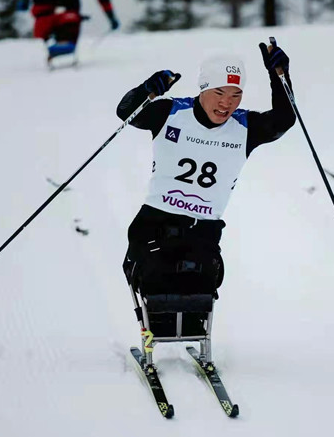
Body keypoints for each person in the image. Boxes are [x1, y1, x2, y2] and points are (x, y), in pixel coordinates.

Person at [116, 40, 295, 301]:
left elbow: (284, 120)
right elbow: (126, 112)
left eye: (236, 95)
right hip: (154, 223)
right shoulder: (171, 113)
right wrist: (146, 90)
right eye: (219, 92)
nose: (227, 104)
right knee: (153, 279)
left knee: (199, 286)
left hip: (202, 231)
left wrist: (279, 74)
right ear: (203, 88)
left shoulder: (245, 127)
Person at [17, 0, 119, 55]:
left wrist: (110, 15)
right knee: (44, 27)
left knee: (69, 22)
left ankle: (65, 46)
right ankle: (44, 49)